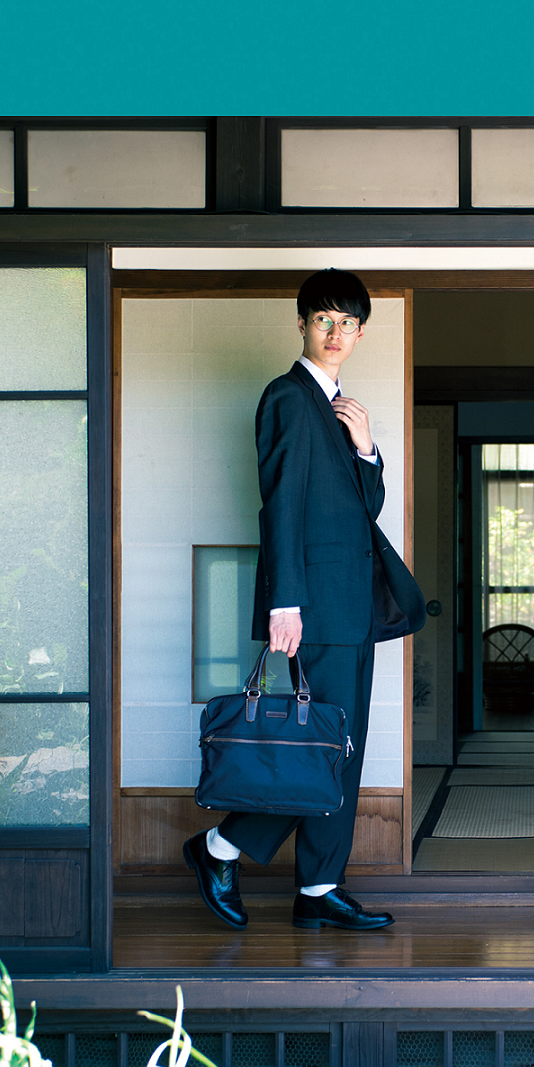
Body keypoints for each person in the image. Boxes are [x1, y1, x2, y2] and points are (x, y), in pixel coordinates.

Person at [184, 268, 396, 933]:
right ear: (302, 324)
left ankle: (319, 888)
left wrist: (367, 450)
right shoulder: (287, 397)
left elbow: (365, 509)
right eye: (323, 319)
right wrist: (285, 603)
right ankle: (220, 848)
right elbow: (279, 505)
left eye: (348, 323)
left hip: (352, 606)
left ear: (360, 333)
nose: (335, 332)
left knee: (340, 747)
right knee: (319, 747)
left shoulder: (340, 408)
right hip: (316, 607)